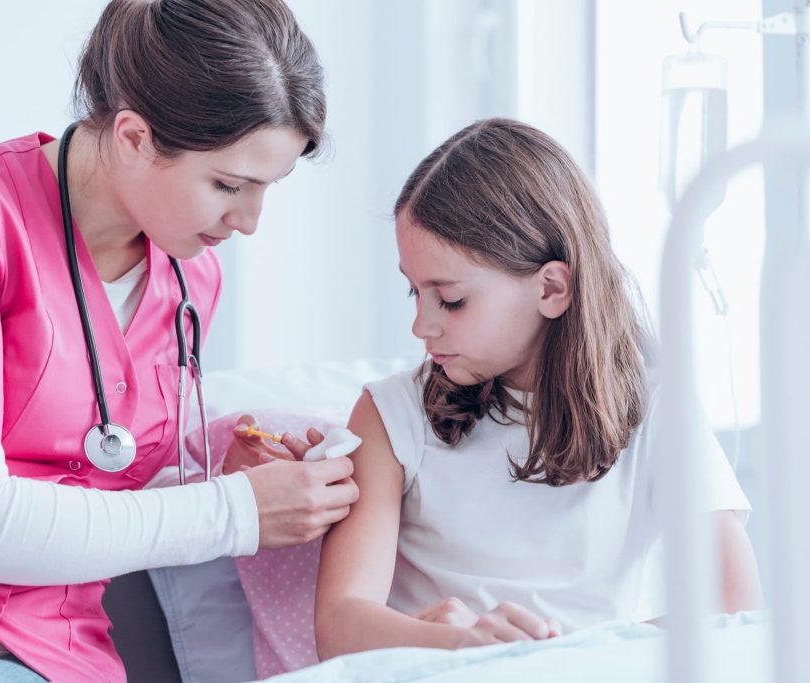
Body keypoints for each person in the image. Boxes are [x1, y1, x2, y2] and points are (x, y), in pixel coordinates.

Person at [0, 1, 358, 681]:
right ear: (134, 136)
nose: (250, 221)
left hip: (58, 653)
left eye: (268, 188)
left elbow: (95, 475)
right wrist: (232, 511)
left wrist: (222, 479)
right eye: (229, 184)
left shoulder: (190, 276)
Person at [314, 118, 763, 658]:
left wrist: (552, 659)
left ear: (551, 288)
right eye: (415, 292)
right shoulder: (390, 415)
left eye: (450, 299)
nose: (421, 326)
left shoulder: (658, 409)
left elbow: (733, 606)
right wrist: (461, 643)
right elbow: (339, 627)